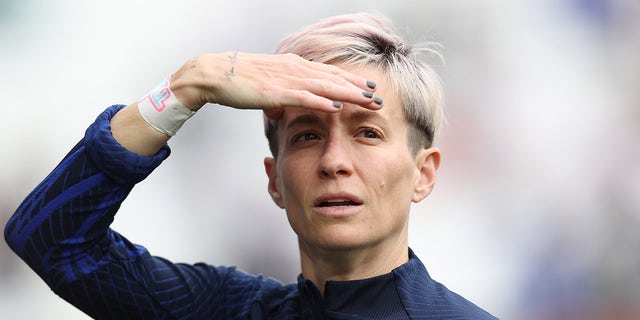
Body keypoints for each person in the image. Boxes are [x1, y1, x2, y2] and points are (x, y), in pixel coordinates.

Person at [4, 12, 496, 319]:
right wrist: (188, 86)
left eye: (368, 133)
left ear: (424, 173)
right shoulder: (226, 309)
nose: (334, 161)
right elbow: (49, 240)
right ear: (274, 180)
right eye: (307, 136)